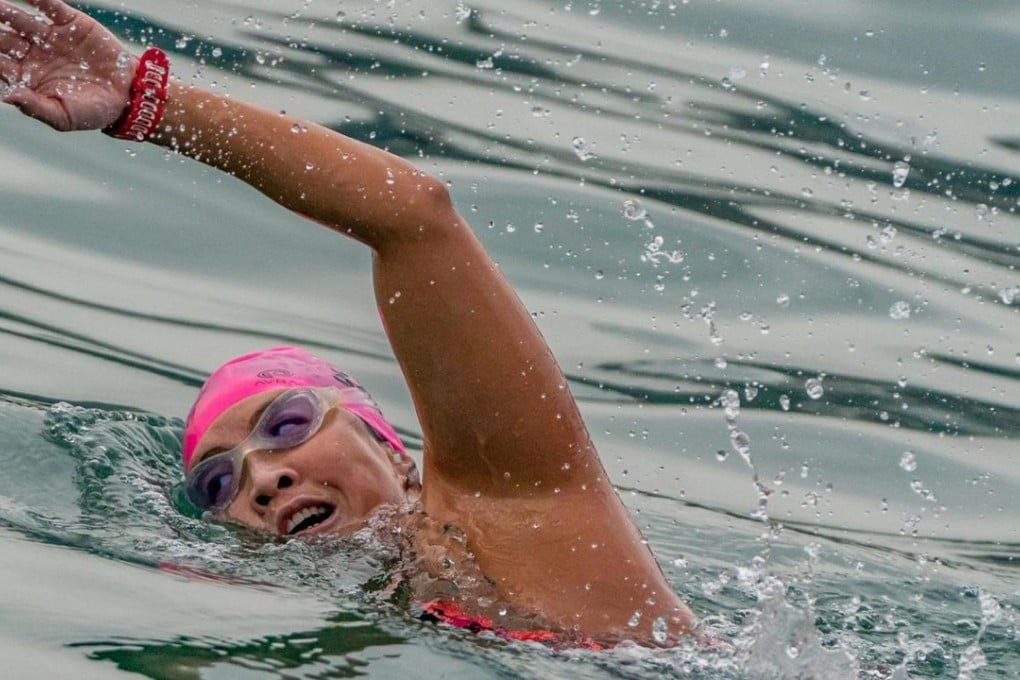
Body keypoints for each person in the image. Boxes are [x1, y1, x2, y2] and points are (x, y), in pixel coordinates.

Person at [0, 0, 695, 646]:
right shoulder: (365, 628)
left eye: (288, 423)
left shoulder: (510, 509)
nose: (263, 479)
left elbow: (413, 218)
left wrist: (149, 106)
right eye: (218, 485)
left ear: (392, 450)